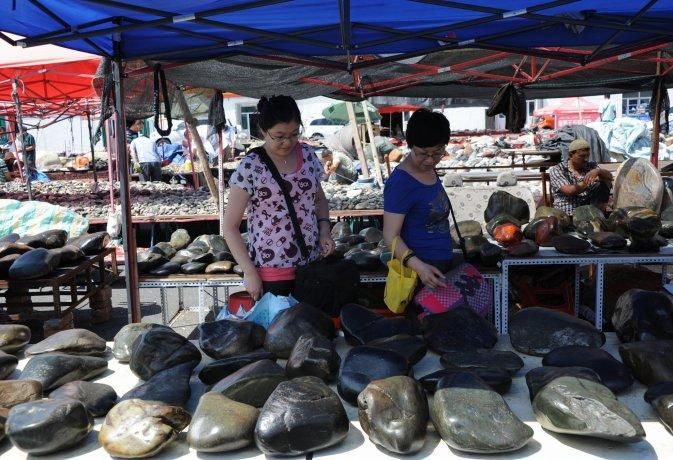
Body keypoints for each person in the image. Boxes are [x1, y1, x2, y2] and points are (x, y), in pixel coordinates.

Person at [223, 95, 335, 300]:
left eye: (294, 134)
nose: (287, 142)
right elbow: (230, 227)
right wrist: (249, 272)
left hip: (311, 265)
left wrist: (325, 230)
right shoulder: (251, 165)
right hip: (271, 270)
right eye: (279, 136)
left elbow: (319, 200)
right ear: (264, 131)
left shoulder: (308, 154)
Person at [383, 108, 452, 291]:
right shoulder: (401, 183)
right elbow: (390, 236)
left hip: (441, 265)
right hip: (420, 272)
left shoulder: (429, 170)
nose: (430, 160)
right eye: (423, 153)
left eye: (437, 153)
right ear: (410, 146)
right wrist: (420, 268)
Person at [549, 138, 613, 215]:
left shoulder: (591, 166)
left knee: (603, 184)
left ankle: (597, 216)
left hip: (589, 211)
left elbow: (610, 176)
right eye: (582, 156)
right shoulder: (558, 169)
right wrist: (589, 181)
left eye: (588, 155)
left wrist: (598, 171)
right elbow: (569, 191)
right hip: (568, 213)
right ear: (571, 155)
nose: (586, 159)